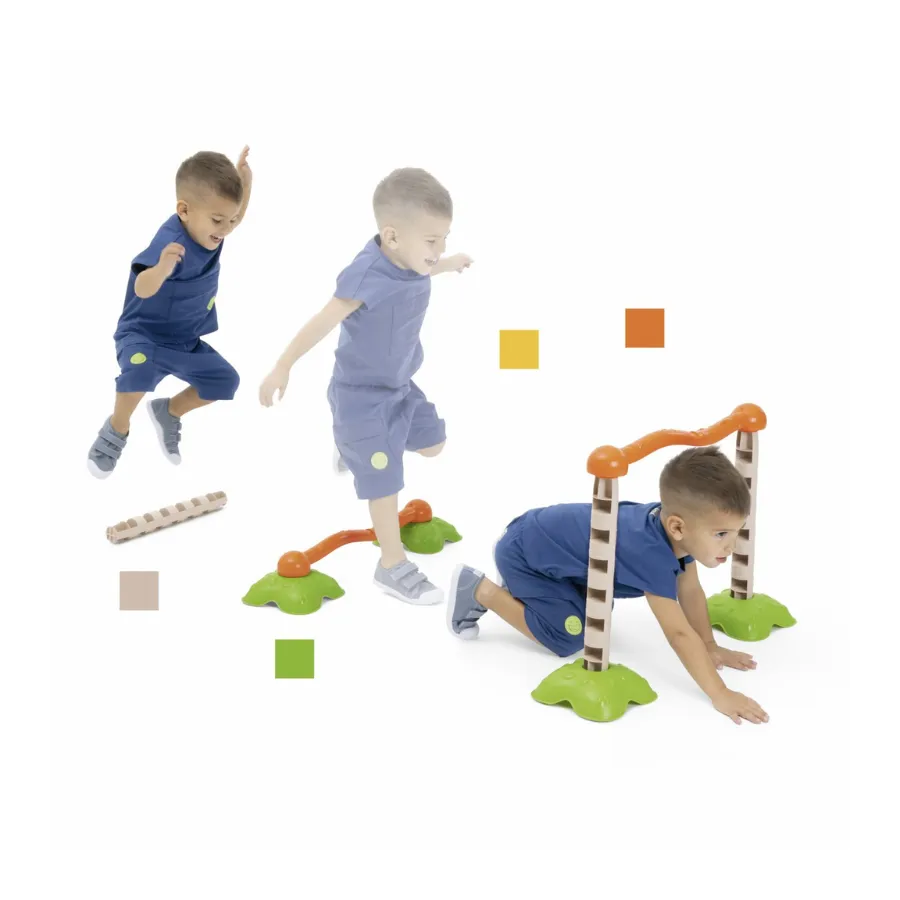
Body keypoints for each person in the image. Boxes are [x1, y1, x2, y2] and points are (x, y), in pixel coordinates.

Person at [260, 167, 472, 605]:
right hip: (359, 397)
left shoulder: (412, 260)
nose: (438, 249)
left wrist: (448, 263)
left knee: (434, 445)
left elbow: (422, 269)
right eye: (432, 241)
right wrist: (283, 366)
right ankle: (391, 565)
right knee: (385, 481)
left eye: (444, 239)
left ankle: (355, 449)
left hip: (399, 387)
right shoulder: (364, 275)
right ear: (392, 237)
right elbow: (322, 322)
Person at [447, 446, 769, 725]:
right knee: (570, 636)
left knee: (596, 612)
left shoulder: (675, 532)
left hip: (549, 554)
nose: (731, 546)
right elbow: (679, 634)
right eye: (721, 534)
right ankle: (481, 590)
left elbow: (691, 591)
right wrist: (720, 693)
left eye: (736, 531)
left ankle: (522, 590)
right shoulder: (650, 553)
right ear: (677, 527)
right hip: (523, 554)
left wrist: (710, 646)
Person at [87, 147, 252, 478]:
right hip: (143, 336)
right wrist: (162, 268)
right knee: (138, 371)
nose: (226, 229)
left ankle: (170, 411)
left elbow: (232, 215)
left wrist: (245, 183)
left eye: (231, 220)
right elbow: (142, 288)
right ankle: (117, 428)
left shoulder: (210, 229)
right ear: (184, 210)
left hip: (185, 342)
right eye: (218, 221)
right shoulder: (170, 242)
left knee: (226, 380)